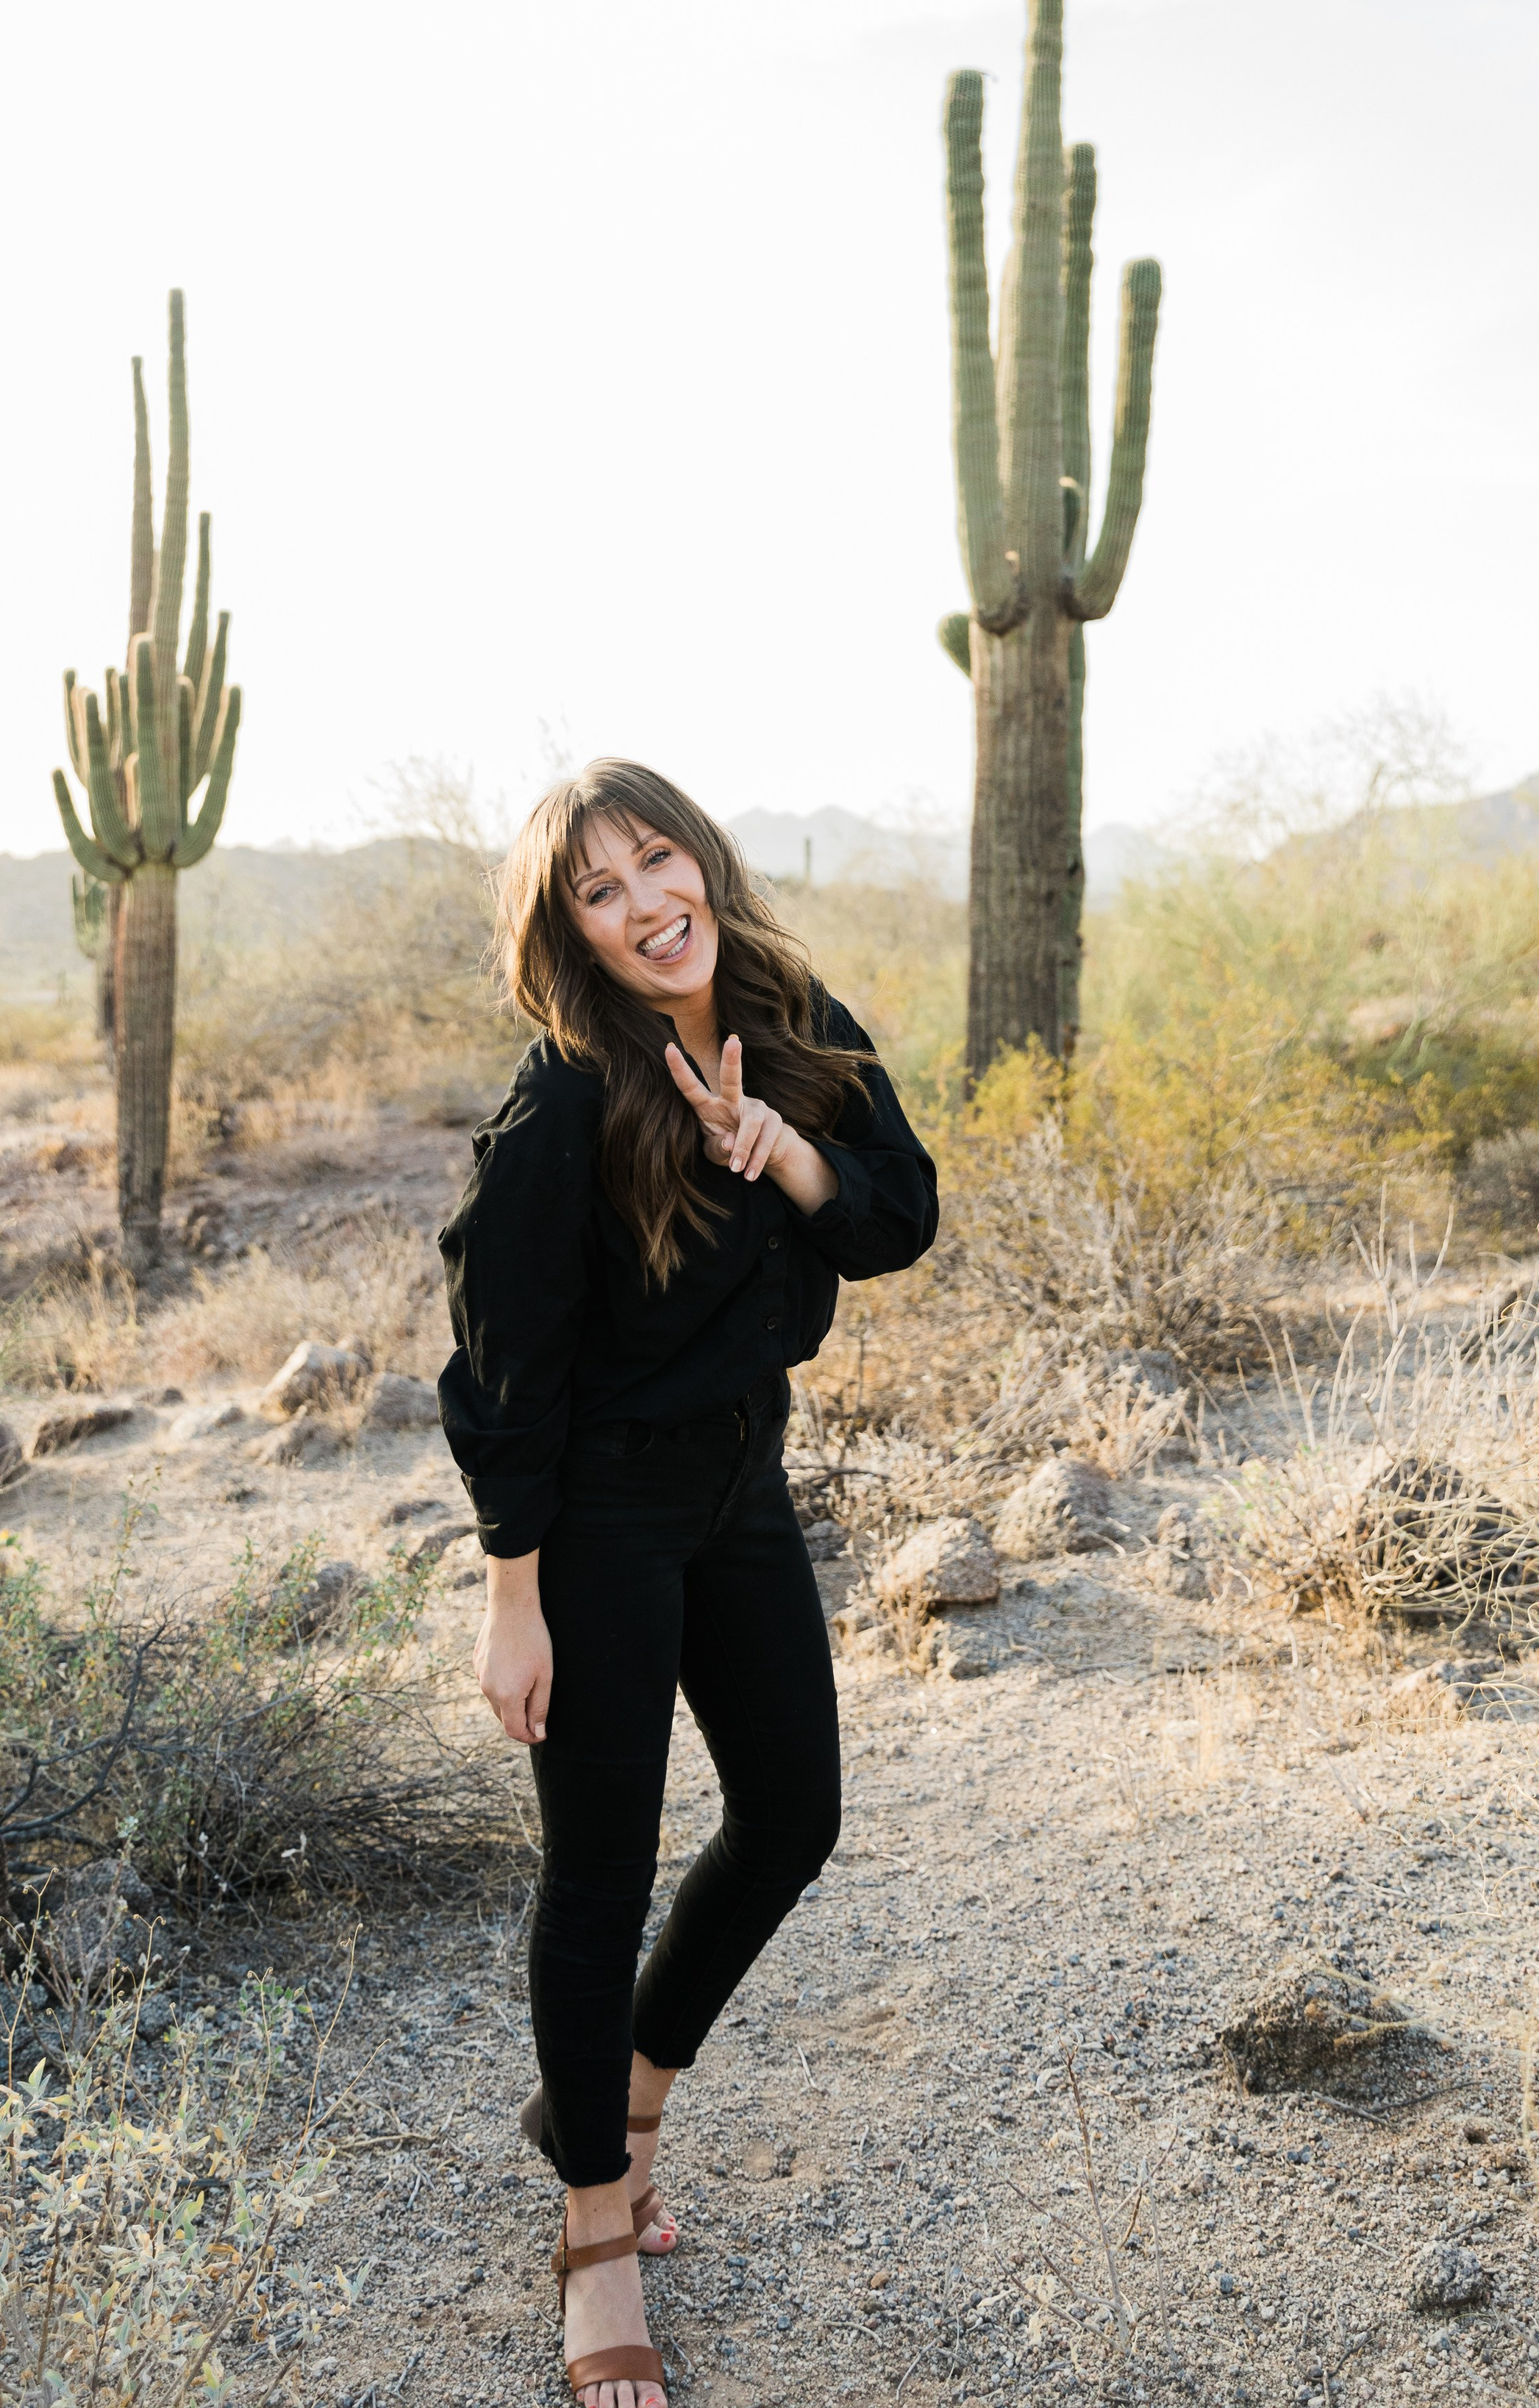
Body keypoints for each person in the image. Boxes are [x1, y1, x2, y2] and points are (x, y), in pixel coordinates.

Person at [438, 759, 938, 2408]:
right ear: (569, 932)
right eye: (600, 890)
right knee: (598, 1873)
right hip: (598, 1518)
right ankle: (594, 2228)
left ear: (700, 860)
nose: (647, 904)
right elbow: (503, 1367)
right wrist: (513, 1595)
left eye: (657, 860)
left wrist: (787, 1153)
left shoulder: (791, 1016)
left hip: (740, 1481)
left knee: (792, 1817)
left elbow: (897, 1218)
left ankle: (620, 2101)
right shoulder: (566, 1104)